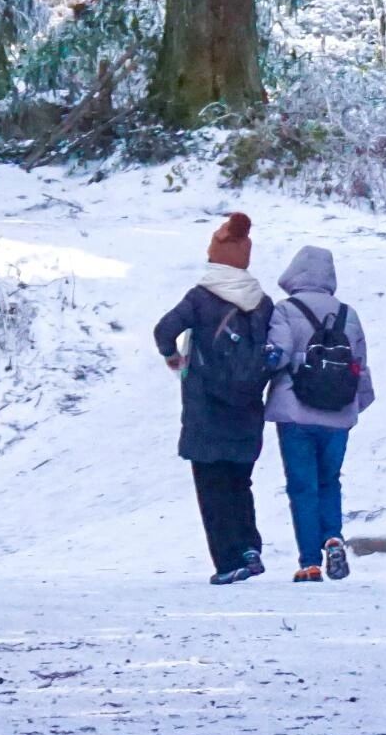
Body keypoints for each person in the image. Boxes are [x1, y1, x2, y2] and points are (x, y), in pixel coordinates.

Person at [153, 213, 274, 586]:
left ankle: (227, 562)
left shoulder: (201, 298)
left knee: (212, 486)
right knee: (240, 481)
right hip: (247, 407)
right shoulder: (263, 302)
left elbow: (164, 330)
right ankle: (249, 548)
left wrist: (173, 358)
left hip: (206, 409)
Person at [266, 245, 374, 583]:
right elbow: (361, 365)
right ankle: (333, 537)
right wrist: (358, 403)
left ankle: (310, 562)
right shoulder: (348, 314)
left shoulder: (285, 310)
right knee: (330, 480)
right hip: (338, 414)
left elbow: (279, 356)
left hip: (295, 413)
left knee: (302, 486)